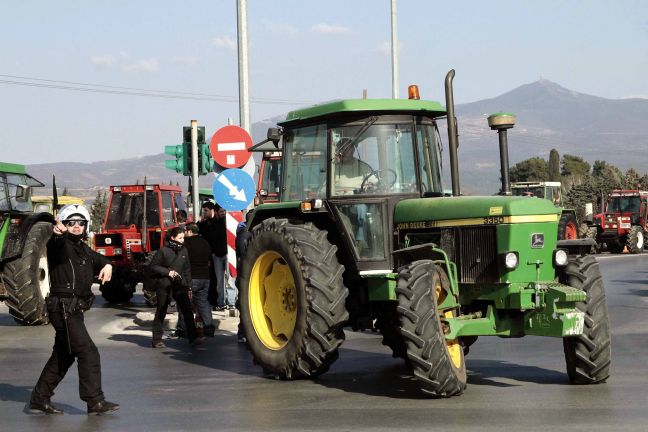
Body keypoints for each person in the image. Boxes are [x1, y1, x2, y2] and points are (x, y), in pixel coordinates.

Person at [29, 204, 119, 416]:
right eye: (71, 223)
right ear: (64, 225)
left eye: (81, 223)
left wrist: (108, 265)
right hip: (64, 308)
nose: (76, 227)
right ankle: (94, 401)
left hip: (73, 309)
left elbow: (100, 259)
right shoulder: (59, 244)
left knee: (64, 355)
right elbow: (57, 244)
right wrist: (59, 234)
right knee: (88, 352)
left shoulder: (82, 247)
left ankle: (39, 398)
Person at [148, 226, 205, 348]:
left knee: (187, 311)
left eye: (183, 238)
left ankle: (193, 338)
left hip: (180, 285)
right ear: (172, 238)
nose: (182, 241)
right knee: (161, 311)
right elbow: (153, 267)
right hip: (164, 285)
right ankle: (157, 339)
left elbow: (187, 270)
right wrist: (168, 272)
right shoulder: (163, 251)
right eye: (180, 238)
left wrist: (189, 287)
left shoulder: (184, 251)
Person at [175, 223, 215, 338]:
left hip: (192, 278)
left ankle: (183, 329)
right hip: (205, 277)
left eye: (186, 231)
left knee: (184, 303)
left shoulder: (186, 244)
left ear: (190, 232)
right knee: (203, 302)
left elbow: (182, 261)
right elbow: (209, 260)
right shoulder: (205, 243)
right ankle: (209, 327)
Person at [198, 202, 230, 310]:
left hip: (227, 254)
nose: (223, 213)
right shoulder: (209, 224)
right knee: (219, 281)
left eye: (224, 211)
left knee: (230, 279)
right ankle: (220, 302)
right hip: (216, 255)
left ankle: (230, 302)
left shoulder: (227, 223)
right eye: (221, 211)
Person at [234, 211, 253, 343]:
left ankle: (243, 332)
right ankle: (243, 333)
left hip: (245, 274)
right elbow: (244, 254)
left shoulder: (243, 232)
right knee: (245, 303)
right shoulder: (245, 234)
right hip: (246, 274)